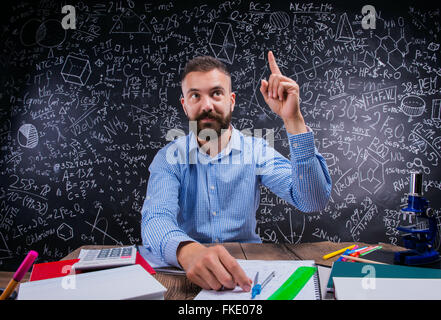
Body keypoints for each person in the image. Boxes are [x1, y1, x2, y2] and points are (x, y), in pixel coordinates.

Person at [141, 51, 332, 292]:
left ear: (231, 100)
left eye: (216, 93)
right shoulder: (169, 158)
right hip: (186, 275)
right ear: (185, 105)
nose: (207, 105)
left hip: (250, 274)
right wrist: (186, 250)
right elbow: (155, 218)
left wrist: (293, 120)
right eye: (195, 96)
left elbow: (312, 200)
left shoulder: (257, 151)